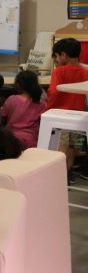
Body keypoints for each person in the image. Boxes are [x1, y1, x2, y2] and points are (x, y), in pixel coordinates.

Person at [46, 37, 88, 179]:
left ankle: (58, 178)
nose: (56, 60)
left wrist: (48, 109)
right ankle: (68, 175)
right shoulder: (85, 72)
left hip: (61, 116)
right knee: (72, 147)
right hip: (79, 117)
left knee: (61, 147)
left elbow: (53, 92)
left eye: (56, 56)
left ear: (63, 55)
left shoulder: (59, 71)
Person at [1, 70, 47, 149]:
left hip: (10, 140)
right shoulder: (42, 104)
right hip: (31, 143)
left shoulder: (12, 99)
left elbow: (2, 116)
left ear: (18, 85)